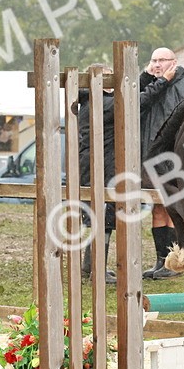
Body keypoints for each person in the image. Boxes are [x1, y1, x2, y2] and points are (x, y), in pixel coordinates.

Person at [140, 47, 184, 280]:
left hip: (177, 159)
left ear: (174, 62)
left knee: (175, 208)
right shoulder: (151, 89)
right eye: (154, 60)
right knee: (158, 208)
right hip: (151, 158)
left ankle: (179, 258)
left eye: (162, 60)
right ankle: (162, 260)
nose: (157, 64)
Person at [76, 67, 117, 284]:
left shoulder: (90, 101)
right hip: (99, 168)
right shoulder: (104, 103)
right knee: (101, 217)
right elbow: (140, 101)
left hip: (97, 167)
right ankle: (95, 270)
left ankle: (90, 267)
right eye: (108, 77)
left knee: (102, 218)